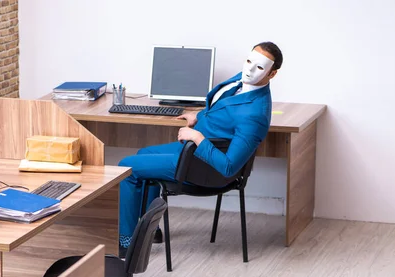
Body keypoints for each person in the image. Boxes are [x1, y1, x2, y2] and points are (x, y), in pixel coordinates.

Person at [118, 41, 283, 256]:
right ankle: (151, 230)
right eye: (249, 61)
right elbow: (222, 109)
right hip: (192, 154)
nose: (250, 69)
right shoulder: (244, 80)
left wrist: (196, 136)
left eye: (260, 67)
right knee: (142, 156)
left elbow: (228, 167)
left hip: (204, 167)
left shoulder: (255, 115)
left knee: (126, 167)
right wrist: (199, 116)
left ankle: (128, 244)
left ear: (272, 74)